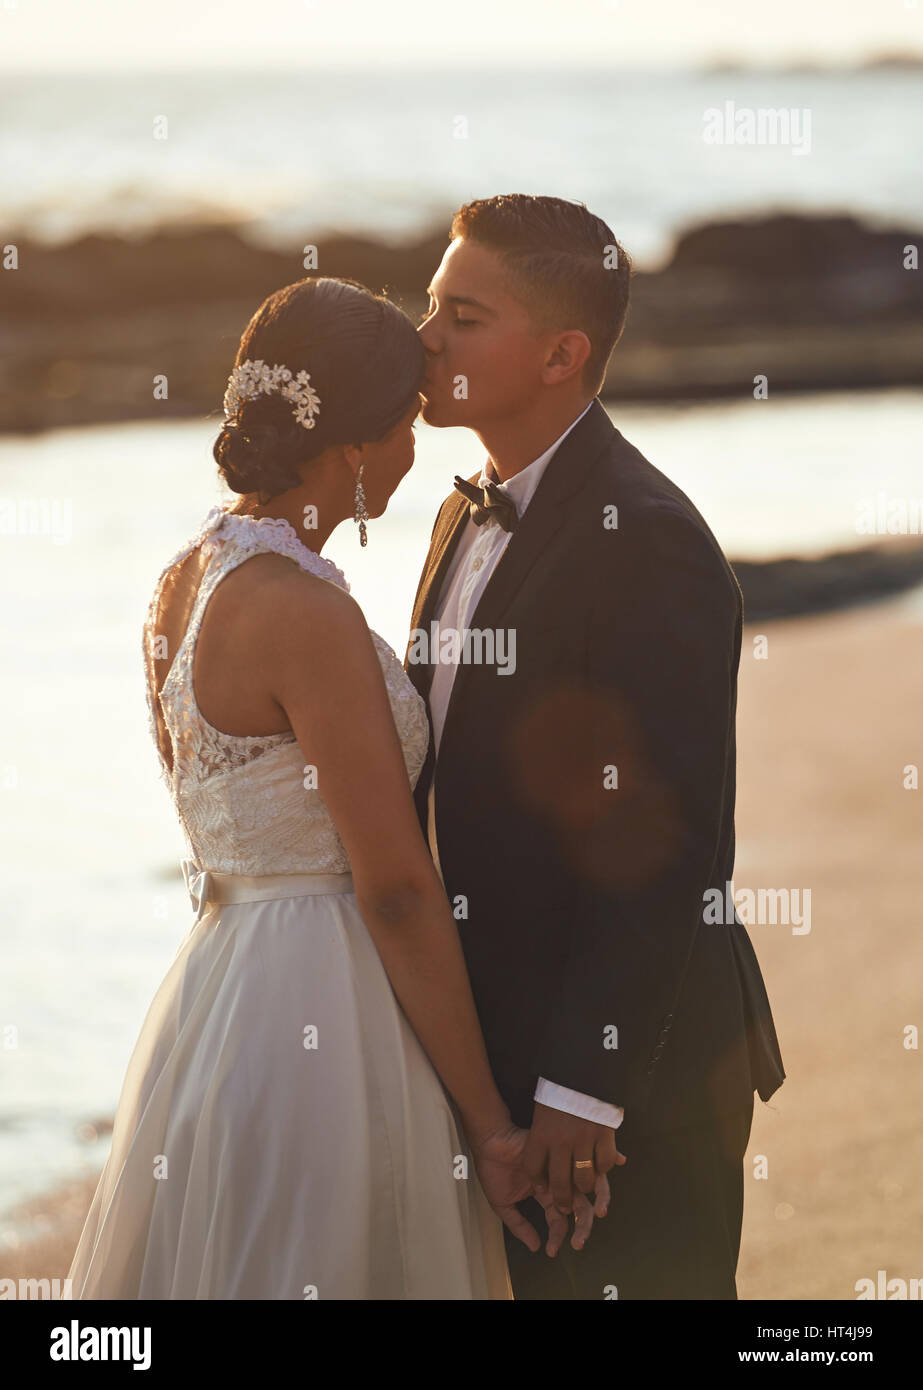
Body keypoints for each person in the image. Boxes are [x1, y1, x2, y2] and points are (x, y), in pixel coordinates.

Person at [66, 275, 607, 1300]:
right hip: (327, 1009)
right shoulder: (301, 612)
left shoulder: (183, 577)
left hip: (219, 999)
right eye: (403, 424)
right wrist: (491, 1127)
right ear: (356, 447)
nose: (415, 448)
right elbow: (394, 888)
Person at [406, 193, 786, 1299]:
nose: (425, 336)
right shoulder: (458, 512)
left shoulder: (648, 541)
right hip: (498, 1053)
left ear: (561, 352)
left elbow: (664, 849)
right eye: (430, 303)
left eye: (462, 316)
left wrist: (581, 1086)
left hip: (636, 1079)